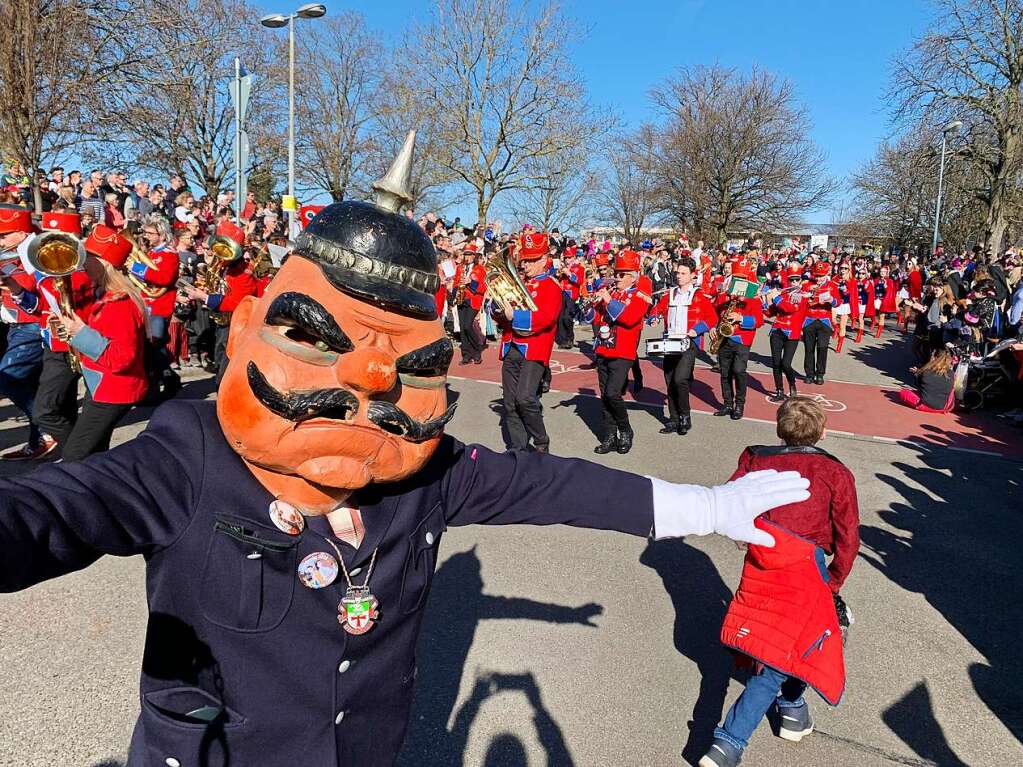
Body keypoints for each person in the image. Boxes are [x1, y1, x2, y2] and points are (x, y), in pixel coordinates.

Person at [0, 134, 811, 767]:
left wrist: (706, 507)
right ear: (247, 333)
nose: (367, 379)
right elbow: (53, 510)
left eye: (406, 364)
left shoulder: (420, 474)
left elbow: (548, 485)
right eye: (318, 340)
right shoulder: (186, 454)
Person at [700, 397, 860, 767]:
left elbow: (731, 500)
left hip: (763, 557)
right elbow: (848, 533)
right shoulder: (834, 473)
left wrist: (747, 534)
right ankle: (729, 741)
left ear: (780, 429)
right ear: (822, 431)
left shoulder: (758, 459)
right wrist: (835, 579)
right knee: (785, 653)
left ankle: (792, 709)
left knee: (773, 633)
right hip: (807, 563)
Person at [9, 212, 96, 458]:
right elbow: (39, 308)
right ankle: (76, 458)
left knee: (45, 411)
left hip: (77, 342)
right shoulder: (43, 271)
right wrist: (16, 290)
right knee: (62, 408)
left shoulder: (84, 272)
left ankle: (79, 456)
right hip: (55, 344)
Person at [58, 226, 148, 459]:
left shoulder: (120, 303)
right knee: (95, 454)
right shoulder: (106, 295)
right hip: (101, 385)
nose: (82, 263)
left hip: (112, 389)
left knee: (74, 457)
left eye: (88, 258)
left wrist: (80, 333)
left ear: (106, 263)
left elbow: (121, 358)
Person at [494, 231, 561, 453]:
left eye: (532, 260)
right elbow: (504, 314)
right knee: (510, 403)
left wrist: (516, 317)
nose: (526, 265)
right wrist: (498, 310)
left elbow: (546, 318)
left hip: (534, 350)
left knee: (525, 399)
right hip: (511, 345)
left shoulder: (551, 286)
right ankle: (518, 450)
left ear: (544, 260)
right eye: (525, 260)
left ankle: (541, 441)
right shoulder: (520, 282)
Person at [0, 205, 54, 460]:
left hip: (30, 324)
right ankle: (38, 441)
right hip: (17, 325)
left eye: (3, 235)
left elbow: (38, 294)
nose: (0, 241)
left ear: (21, 233)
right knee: (28, 383)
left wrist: (10, 284)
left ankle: (46, 428)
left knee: (9, 379)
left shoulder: (33, 253)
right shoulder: (16, 253)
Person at [180, 219, 258, 385]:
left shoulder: (244, 273)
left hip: (235, 324)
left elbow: (238, 302)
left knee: (225, 362)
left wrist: (204, 297)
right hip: (224, 322)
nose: (219, 253)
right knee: (220, 356)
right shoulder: (226, 266)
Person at [588, 249, 651, 454]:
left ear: (633, 277)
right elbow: (595, 319)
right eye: (616, 273)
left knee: (613, 393)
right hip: (603, 348)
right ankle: (609, 436)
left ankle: (625, 430)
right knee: (604, 396)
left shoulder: (639, 295)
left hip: (623, 351)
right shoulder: (612, 292)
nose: (617, 277)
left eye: (622, 274)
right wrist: (590, 306)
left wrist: (607, 300)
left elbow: (629, 318)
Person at [649, 256, 716, 435]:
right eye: (677, 272)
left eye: (683, 273)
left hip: (688, 342)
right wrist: (653, 318)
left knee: (680, 379)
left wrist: (698, 329)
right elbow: (655, 311)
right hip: (669, 342)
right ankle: (673, 419)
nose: (678, 276)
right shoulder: (669, 295)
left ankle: (685, 416)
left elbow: (712, 318)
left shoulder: (699, 296)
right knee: (670, 381)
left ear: (692, 275)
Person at [133, 213, 182, 398]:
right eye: (145, 232)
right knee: (150, 348)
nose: (146, 236)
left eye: (150, 233)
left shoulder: (169, 255)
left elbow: (164, 278)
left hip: (160, 306)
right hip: (146, 304)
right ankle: (165, 381)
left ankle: (163, 384)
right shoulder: (151, 253)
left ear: (161, 234)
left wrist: (137, 269)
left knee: (154, 346)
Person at [713, 261, 763, 421]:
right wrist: (713, 327)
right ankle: (727, 403)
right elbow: (714, 313)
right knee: (724, 372)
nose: (739, 282)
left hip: (742, 339)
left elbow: (759, 321)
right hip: (724, 337)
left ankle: (739, 404)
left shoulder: (753, 299)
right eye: (736, 278)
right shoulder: (724, 296)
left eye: (742, 279)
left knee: (739, 371)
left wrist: (741, 318)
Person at [766, 265, 806, 401]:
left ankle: (792, 384)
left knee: (786, 363)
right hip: (777, 330)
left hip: (792, 333)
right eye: (791, 280)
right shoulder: (782, 293)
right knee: (776, 362)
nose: (794, 283)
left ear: (800, 281)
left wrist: (775, 297)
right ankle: (779, 390)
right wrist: (764, 300)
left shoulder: (802, 295)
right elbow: (770, 313)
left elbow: (790, 308)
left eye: (796, 280)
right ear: (787, 281)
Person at [801, 261, 837, 385]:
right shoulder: (807, 285)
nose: (819, 278)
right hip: (809, 320)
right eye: (816, 275)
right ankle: (809, 374)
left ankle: (820, 374)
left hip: (824, 321)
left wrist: (831, 300)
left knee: (822, 348)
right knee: (809, 349)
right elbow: (800, 302)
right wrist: (807, 294)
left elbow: (839, 302)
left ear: (826, 274)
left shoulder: (832, 285)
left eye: (821, 276)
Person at [454, 246, 486, 365]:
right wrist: (455, 291)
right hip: (461, 299)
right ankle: (466, 355)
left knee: (468, 326)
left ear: (474, 256)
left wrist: (470, 282)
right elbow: (455, 283)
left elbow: (483, 287)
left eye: (470, 254)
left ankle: (477, 349)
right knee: (462, 329)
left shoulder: (480, 269)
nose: (467, 257)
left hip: (473, 300)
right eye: (465, 254)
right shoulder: (460, 268)